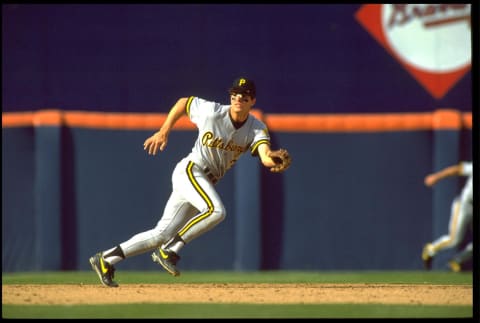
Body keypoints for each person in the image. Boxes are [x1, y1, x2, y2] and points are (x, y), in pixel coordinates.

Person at [89, 77, 291, 287]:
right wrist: (164, 130)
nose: (238, 98)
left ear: (252, 100)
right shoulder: (213, 112)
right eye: (235, 94)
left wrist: (273, 158)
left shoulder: (256, 128)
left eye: (244, 95)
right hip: (191, 170)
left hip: (203, 181)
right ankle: (170, 250)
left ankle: (106, 259)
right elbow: (183, 103)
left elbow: (264, 155)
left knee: (161, 233)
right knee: (217, 211)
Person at [421, 161, 473, 272]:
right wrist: (436, 177)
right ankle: (431, 249)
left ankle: (458, 259)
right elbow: (456, 169)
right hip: (465, 205)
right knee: (454, 239)